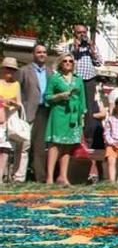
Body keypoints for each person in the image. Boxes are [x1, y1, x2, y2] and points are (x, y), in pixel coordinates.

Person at [43, 53, 86, 186]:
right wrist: (60, 96)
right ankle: (49, 177)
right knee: (55, 144)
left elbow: (82, 98)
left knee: (68, 145)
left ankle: (63, 176)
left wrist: (82, 114)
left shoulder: (78, 79)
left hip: (73, 115)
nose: (68, 63)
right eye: (65, 61)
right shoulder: (55, 78)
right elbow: (47, 97)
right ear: (60, 63)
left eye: (71, 61)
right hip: (58, 113)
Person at [68, 24, 103, 184]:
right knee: (75, 111)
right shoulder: (69, 46)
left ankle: (87, 143)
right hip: (75, 80)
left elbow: (99, 62)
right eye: (79, 33)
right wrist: (75, 48)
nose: (82, 35)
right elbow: (66, 62)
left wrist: (91, 48)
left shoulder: (91, 47)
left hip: (89, 80)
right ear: (74, 34)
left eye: (84, 32)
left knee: (88, 114)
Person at [18, 44, 52, 182]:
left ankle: (40, 177)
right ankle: (19, 177)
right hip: (28, 111)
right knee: (24, 145)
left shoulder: (50, 72)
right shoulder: (24, 71)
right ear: (33, 54)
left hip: (45, 110)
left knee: (40, 146)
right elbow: (18, 90)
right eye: (39, 52)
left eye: (44, 52)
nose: (42, 54)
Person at [0, 57, 23, 183]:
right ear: (3, 69)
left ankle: (1, 177)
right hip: (0, 116)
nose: (10, 71)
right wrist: (3, 101)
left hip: (11, 119)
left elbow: (19, 103)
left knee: (6, 149)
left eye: (13, 69)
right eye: (8, 68)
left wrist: (12, 103)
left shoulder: (16, 84)